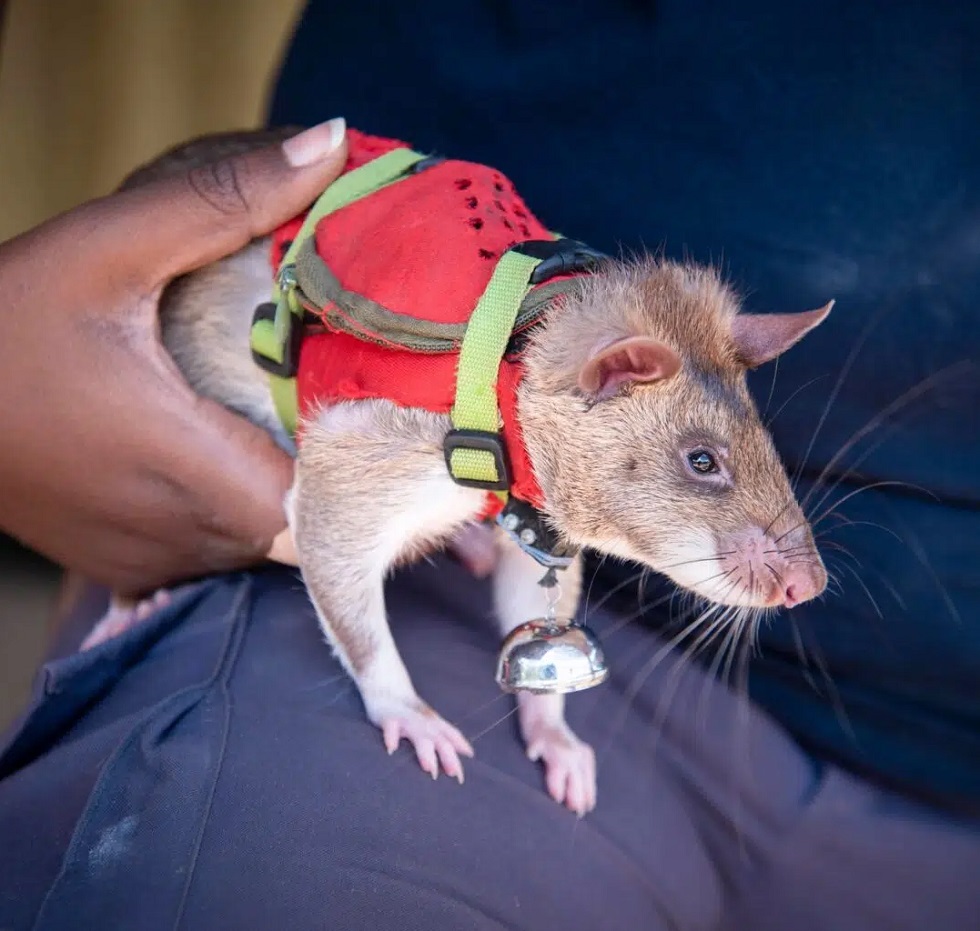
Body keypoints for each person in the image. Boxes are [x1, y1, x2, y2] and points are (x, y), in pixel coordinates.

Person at [1, 1, 978, 928]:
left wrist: (546, 717)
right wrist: (394, 696)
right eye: (703, 464)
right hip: (281, 504)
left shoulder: (561, 429)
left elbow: (542, 534)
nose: (796, 578)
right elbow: (336, 525)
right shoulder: (496, 412)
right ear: (613, 373)